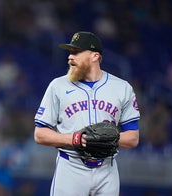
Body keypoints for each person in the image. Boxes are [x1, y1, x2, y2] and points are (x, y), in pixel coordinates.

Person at [34, 31, 140, 195]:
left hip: (107, 169)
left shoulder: (122, 88)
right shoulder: (58, 86)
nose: (70, 57)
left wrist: (107, 140)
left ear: (94, 56)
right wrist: (74, 139)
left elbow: (133, 138)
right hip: (71, 168)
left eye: (76, 52)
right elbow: (40, 134)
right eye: (70, 52)